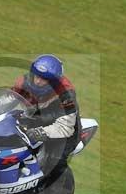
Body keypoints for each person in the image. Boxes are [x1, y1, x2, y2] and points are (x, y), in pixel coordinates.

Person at [13, 54, 81, 182]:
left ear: (53, 82)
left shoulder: (66, 94)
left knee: (55, 163)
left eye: (44, 79)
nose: (38, 81)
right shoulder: (23, 82)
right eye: (37, 76)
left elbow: (66, 126)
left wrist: (41, 132)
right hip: (33, 122)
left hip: (65, 130)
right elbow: (10, 100)